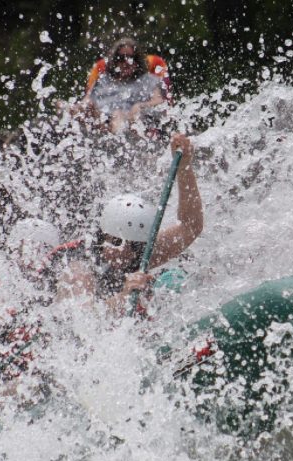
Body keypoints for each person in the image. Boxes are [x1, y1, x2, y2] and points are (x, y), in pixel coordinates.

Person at [50, 132, 202, 314]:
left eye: (136, 246)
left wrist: (184, 167)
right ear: (103, 236)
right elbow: (82, 319)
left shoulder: (136, 253)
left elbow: (190, 227)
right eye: (117, 242)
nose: (126, 252)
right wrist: (124, 296)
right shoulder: (79, 265)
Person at [76, 37, 169, 133]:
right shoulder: (102, 79)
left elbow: (159, 101)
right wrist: (82, 107)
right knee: (65, 107)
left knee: (118, 114)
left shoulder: (149, 80)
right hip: (99, 120)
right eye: (121, 58)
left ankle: (113, 137)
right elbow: (86, 100)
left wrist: (140, 106)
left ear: (138, 61)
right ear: (114, 61)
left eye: (131, 58)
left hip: (130, 121)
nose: (126, 62)